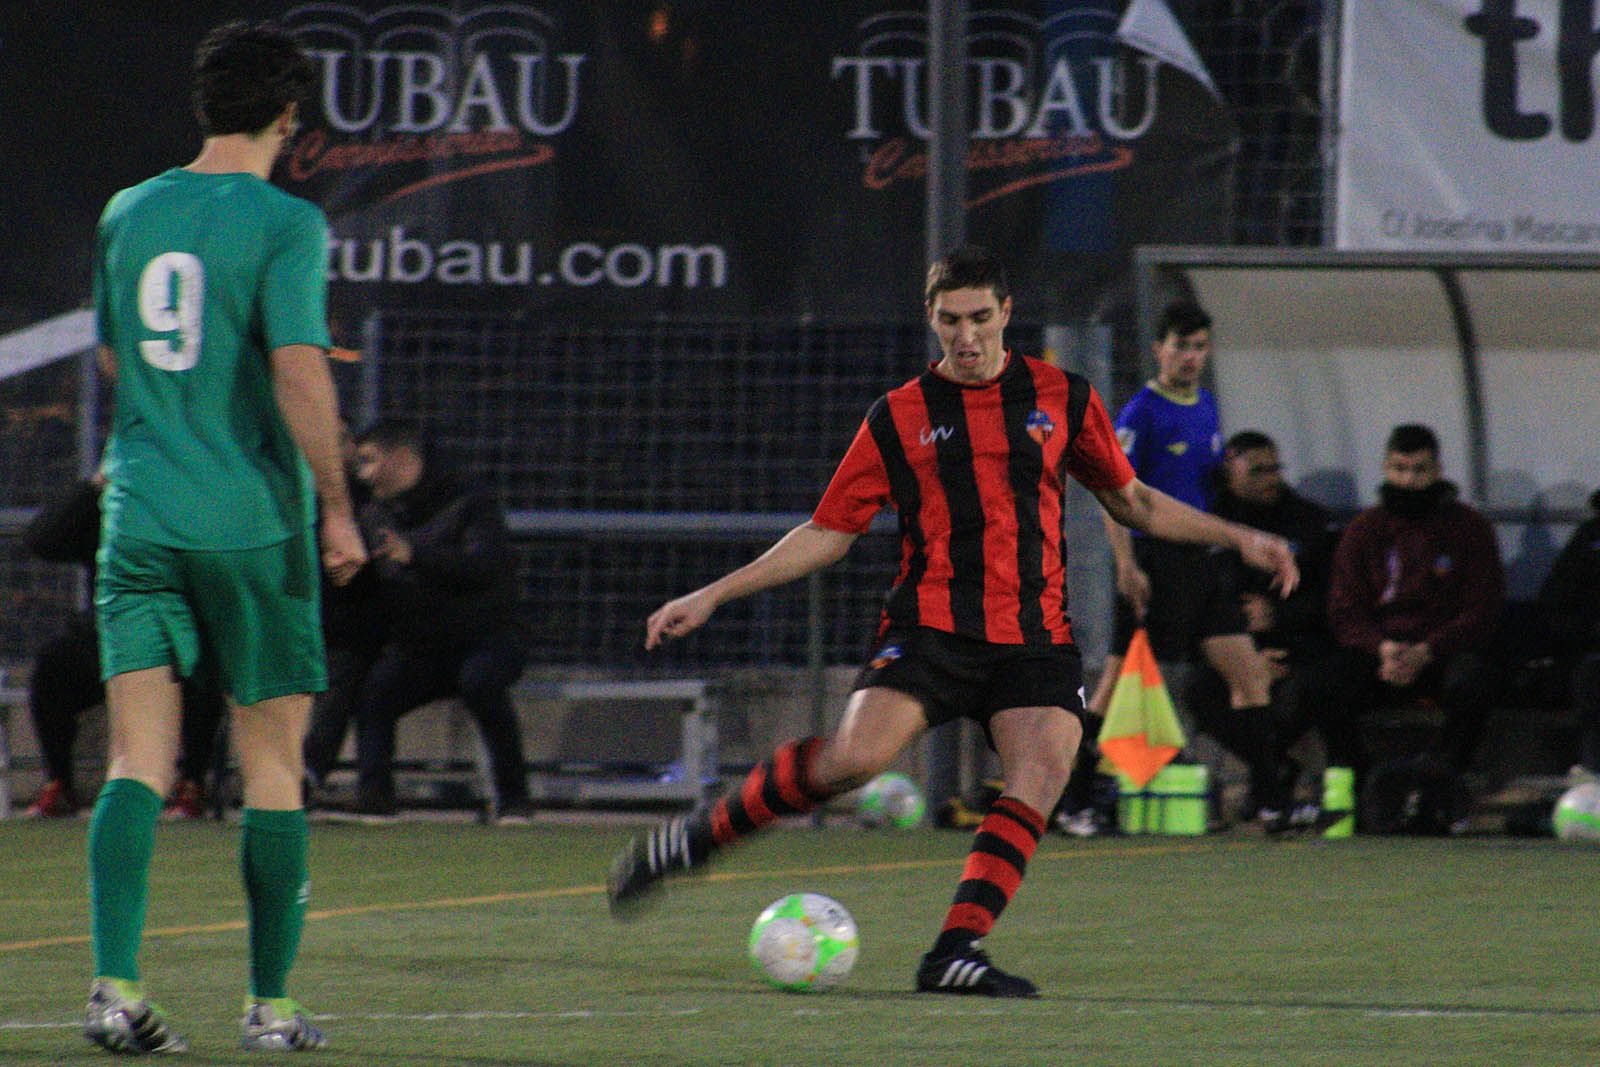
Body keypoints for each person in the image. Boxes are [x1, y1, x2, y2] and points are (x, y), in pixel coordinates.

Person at [605, 245, 1298, 997]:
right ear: (931, 320)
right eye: (948, 321)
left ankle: (956, 951)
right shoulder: (899, 415)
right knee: (856, 759)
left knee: (1046, 765)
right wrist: (713, 592)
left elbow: (1132, 500)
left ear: (1006, 313)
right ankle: (697, 838)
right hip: (931, 625)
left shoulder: (1063, 396)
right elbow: (827, 532)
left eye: (978, 318)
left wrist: (1238, 535)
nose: (964, 337)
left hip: (1031, 633)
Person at [83, 20, 365, 1054]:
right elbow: (298, 370)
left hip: (142, 515)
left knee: (135, 759)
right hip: (249, 522)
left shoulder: (129, 211)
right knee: (273, 763)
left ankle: (115, 988)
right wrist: (337, 505)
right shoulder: (287, 221)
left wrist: (178, 402)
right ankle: (270, 1007)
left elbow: (118, 356)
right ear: (292, 115)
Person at [342, 418, 535, 824]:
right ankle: (375, 798)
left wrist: (416, 556)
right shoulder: (376, 511)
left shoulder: (468, 501)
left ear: (402, 458)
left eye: (370, 461)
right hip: (423, 647)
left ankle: (515, 800)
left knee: (481, 683)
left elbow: (486, 567)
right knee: (375, 692)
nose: (362, 473)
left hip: (488, 638)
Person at [21, 474, 227, 822]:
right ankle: (59, 783)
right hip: (110, 632)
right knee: (54, 663)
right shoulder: (113, 507)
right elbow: (42, 539)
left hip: (178, 630)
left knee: (199, 666)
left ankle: (191, 783)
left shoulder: (190, 502)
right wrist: (93, 487)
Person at [1321, 424, 1504, 782]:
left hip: (1444, 651)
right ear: (1386, 469)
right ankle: (1355, 781)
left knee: (1473, 682)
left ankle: (1443, 777)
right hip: (1381, 652)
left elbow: (1482, 609)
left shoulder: (1470, 529)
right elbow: (1345, 609)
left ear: (1437, 470)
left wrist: (1428, 649)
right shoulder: (1364, 530)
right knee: (1324, 685)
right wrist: (1382, 647)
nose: (1408, 481)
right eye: (1400, 469)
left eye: (1419, 470)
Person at [1186, 430, 1344, 825]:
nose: (1270, 478)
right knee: (1199, 690)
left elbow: (1332, 600)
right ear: (1230, 471)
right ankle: (1273, 778)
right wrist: (1249, 650)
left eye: (1275, 469)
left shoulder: (1309, 523)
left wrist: (1278, 617)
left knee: (1306, 689)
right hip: (1235, 648)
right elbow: (1202, 600)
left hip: (1299, 646)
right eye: (1257, 471)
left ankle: (1269, 786)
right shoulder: (1209, 524)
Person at [1533, 488, 1600, 774]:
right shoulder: (1590, 537)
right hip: (1592, 649)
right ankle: (1593, 771)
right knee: (1591, 674)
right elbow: (1556, 603)